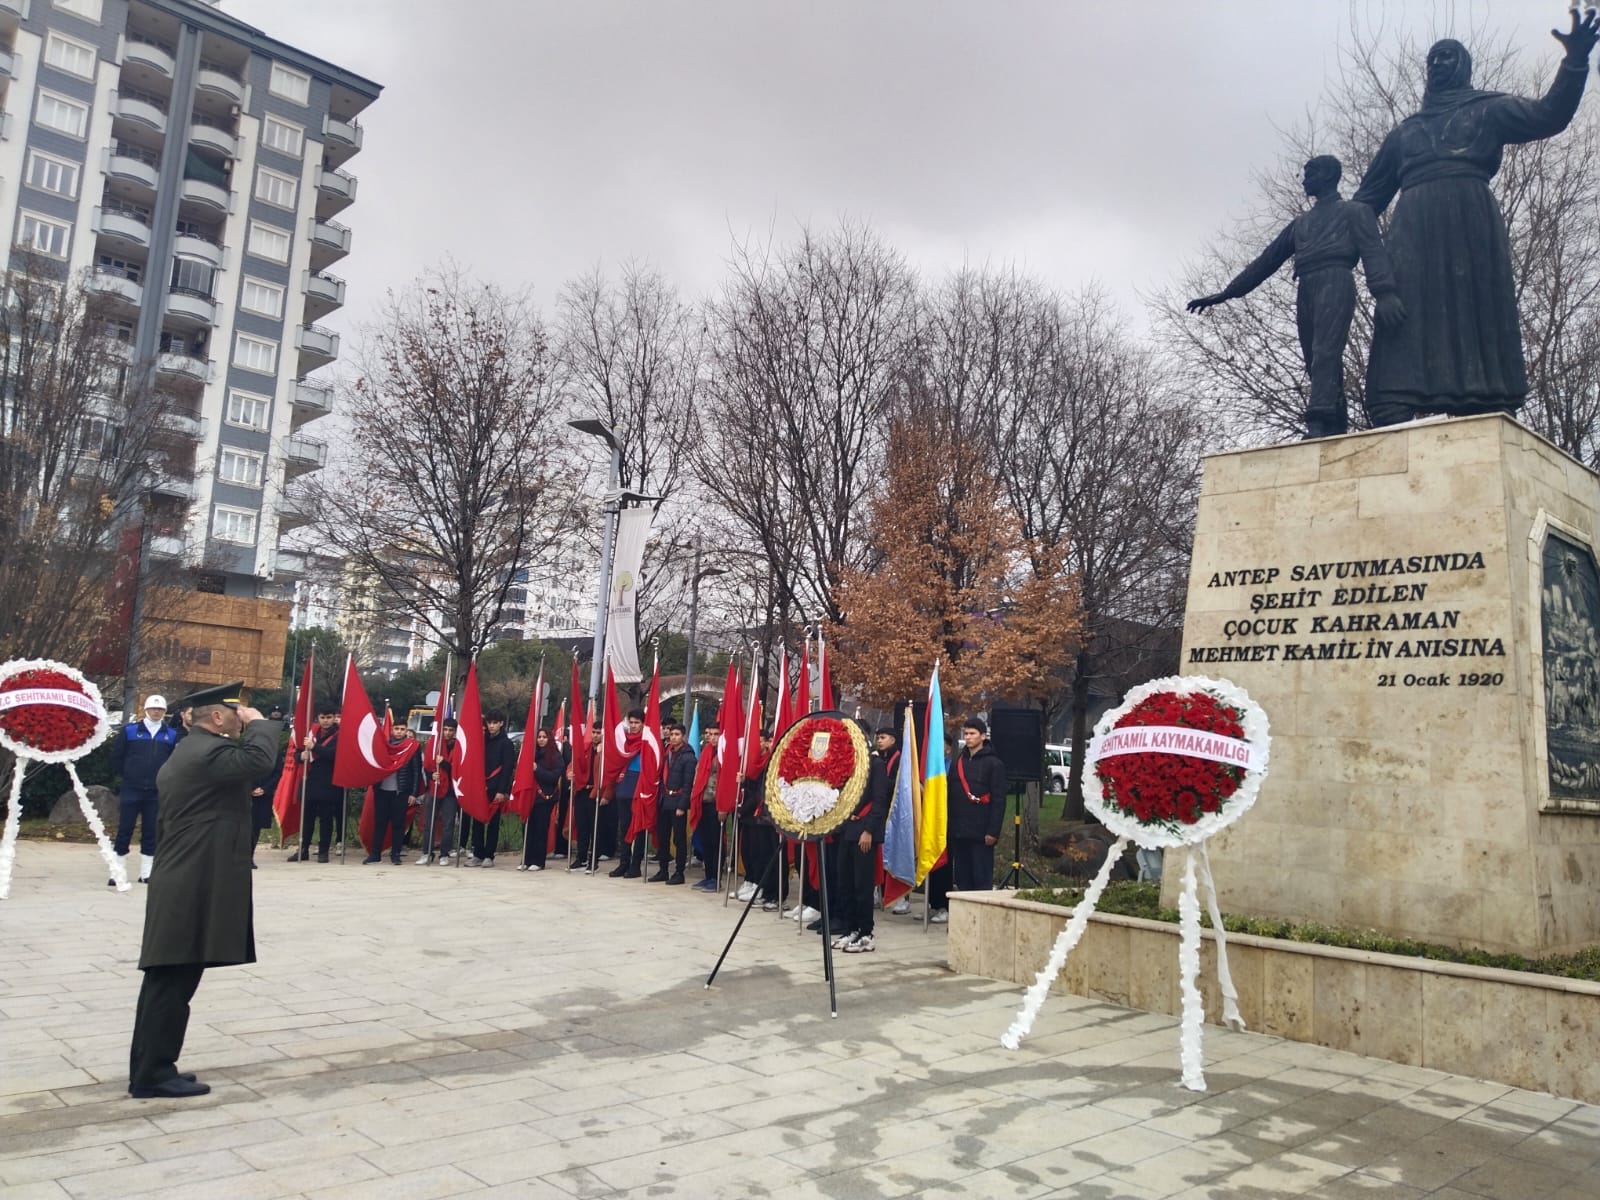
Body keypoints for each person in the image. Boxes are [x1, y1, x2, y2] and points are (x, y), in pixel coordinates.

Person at [1352, 15, 1599, 425]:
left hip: (1471, 224)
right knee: (1405, 312)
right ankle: (1396, 394)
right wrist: (1336, 249)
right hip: (1411, 235)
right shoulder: (1404, 133)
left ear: (1464, 66)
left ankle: (1485, 396)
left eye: (1448, 56)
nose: (1438, 64)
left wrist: (1574, 62)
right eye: (1433, 58)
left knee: (1478, 306)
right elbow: (1364, 204)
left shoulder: (1488, 109)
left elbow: (1548, 116)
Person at [128, 682, 276, 1099]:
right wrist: (262, 724)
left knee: (170, 980)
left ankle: (153, 1067)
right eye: (236, 713)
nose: (241, 718)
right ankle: (153, 1075)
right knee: (172, 980)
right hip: (189, 879)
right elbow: (259, 759)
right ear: (217, 718)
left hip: (186, 875)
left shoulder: (194, 750)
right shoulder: (207, 751)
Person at [1187, 155, 1403, 438]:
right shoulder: (1300, 224)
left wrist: (1385, 293)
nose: (1304, 180)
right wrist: (1227, 293)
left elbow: (1374, 253)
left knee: (1326, 351)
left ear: (1327, 175)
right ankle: (1335, 421)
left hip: (1336, 279)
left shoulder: (1355, 211)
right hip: (1307, 286)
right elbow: (1266, 262)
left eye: (1309, 174)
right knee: (1315, 357)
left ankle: (1317, 420)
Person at [833, 722, 894, 953]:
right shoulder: (849, 764)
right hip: (847, 829)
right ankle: (852, 929)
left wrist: (869, 830)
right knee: (844, 883)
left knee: (862, 885)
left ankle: (866, 932)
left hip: (864, 831)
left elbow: (879, 800)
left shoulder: (876, 765)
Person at [109, 695, 180, 884]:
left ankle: (146, 872)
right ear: (146, 710)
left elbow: (175, 762)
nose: (157, 712)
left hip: (156, 791)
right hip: (132, 788)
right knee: (125, 829)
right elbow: (117, 757)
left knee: (151, 830)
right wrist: (128, 775)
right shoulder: (130, 731)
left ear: (164, 712)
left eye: (160, 710)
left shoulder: (171, 734)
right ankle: (118, 870)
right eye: (153, 709)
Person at [949, 718, 1006, 893]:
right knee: (962, 876)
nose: (968, 737)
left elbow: (999, 800)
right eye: (966, 734)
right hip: (959, 830)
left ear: (983, 736)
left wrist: (993, 831)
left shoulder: (994, 764)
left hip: (981, 832)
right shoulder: (958, 761)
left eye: (972, 734)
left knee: (981, 877)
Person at [288, 706, 340, 863]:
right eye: (323, 717)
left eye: (329, 717)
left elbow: (334, 755)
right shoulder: (311, 732)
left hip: (328, 784)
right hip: (309, 782)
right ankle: (303, 849)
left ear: (334, 718)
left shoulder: (340, 734)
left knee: (326, 819)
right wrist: (300, 756)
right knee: (306, 819)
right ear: (318, 717)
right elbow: (297, 752)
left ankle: (323, 851)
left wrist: (314, 747)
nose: (326, 721)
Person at [366, 725, 421, 865]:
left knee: (398, 824)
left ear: (406, 731)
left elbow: (416, 771)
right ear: (392, 730)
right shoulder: (384, 745)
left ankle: (395, 854)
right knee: (380, 823)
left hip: (401, 792)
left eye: (402, 729)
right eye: (396, 729)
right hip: (382, 791)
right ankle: (375, 854)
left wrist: (414, 793)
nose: (399, 732)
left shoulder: (412, 747)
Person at [469, 710, 516, 866]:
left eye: (495, 723)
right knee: (477, 821)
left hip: (496, 788)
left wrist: (502, 791)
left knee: (493, 823)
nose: (491, 726)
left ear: (501, 724)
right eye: (489, 723)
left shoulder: (507, 744)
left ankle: (489, 855)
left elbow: (507, 768)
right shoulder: (483, 741)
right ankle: (477, 853)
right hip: (480, 786)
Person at [606, 708, 647, 879]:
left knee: (638, 827)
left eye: (637, 723)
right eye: (631, 722)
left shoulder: (647, 741)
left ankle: (635, 865)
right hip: (624, 786)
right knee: (624, 827)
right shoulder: (624, 740)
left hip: (639, 787)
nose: (634, 726)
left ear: (643, 724)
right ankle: (624, 862)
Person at [652, 722, 695, 884]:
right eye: (671, 734)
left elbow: (688, 783)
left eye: (677, 734)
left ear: (683, 737)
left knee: (678, 839)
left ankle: (679, 872)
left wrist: (682, 805)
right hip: (664, 800)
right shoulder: (667, 753)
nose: (673, 737)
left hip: (677, 801)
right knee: (663, 837)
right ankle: (663, 870)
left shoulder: (689, 757)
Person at [417, 719, 460, 866]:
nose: (447, 733)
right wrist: (431, 775)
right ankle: (426, 853)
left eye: (450, 730)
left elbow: (457, 769)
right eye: (445, 729)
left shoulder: (457, 746)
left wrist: (444, 763)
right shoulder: (434, 744)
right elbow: (427, 765)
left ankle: (444, 853)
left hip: (450, 792)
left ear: (455, 732)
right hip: (434, 789)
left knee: (448, 824)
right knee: (429, 823)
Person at [521, 728, 564, 871]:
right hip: (530, 796)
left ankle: (538, 861)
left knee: (540, 829)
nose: (541, 739)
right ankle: (526, 859)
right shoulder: (533, 754)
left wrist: (537, 769)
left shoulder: (555, 757)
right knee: (528, 828)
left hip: (544, 797)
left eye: (544, 737)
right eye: (539, 737)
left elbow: (554, 776)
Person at [689, 722, 722, 891]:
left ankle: (716, 878)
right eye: (709, 733)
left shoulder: (724, 754)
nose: (711, 737)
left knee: (716, 842)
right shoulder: (706, 752)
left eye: (716, 734)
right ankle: (708, 876)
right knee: (706, 841)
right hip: (703, 800)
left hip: (717, 802)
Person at [248, 728, 285, 870]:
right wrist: (250, 788)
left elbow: (277, 773)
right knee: (246, 826)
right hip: (247, 794)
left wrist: (265, 788)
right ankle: (242, 856)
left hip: (264, 794)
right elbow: (242, 769)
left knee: (256, 827)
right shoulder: (247, 750)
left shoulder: (274, 753)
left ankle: (250, 856)